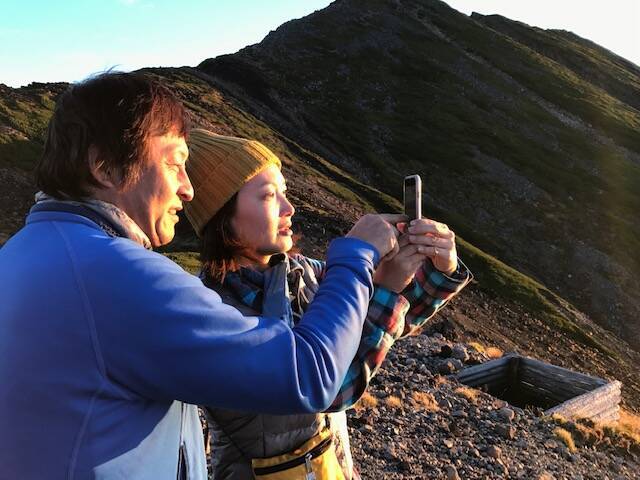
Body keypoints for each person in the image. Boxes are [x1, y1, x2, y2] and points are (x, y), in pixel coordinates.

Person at [0, 72, 403, 480]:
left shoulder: (20, 255)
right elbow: (309, 375)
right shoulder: (116, 274)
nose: (187, 189)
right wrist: (357, 255)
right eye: (175, 164)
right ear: (106, 166)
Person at [184, 129, 472, 479]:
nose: (289, 208)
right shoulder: (214, 313)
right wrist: (385, 285)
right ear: (222, 215)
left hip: (329, 467)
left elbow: (385, 316)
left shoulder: (300, 272)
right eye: (269, 196)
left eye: (285, 193)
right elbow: (326, 389)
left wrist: (441, 269)